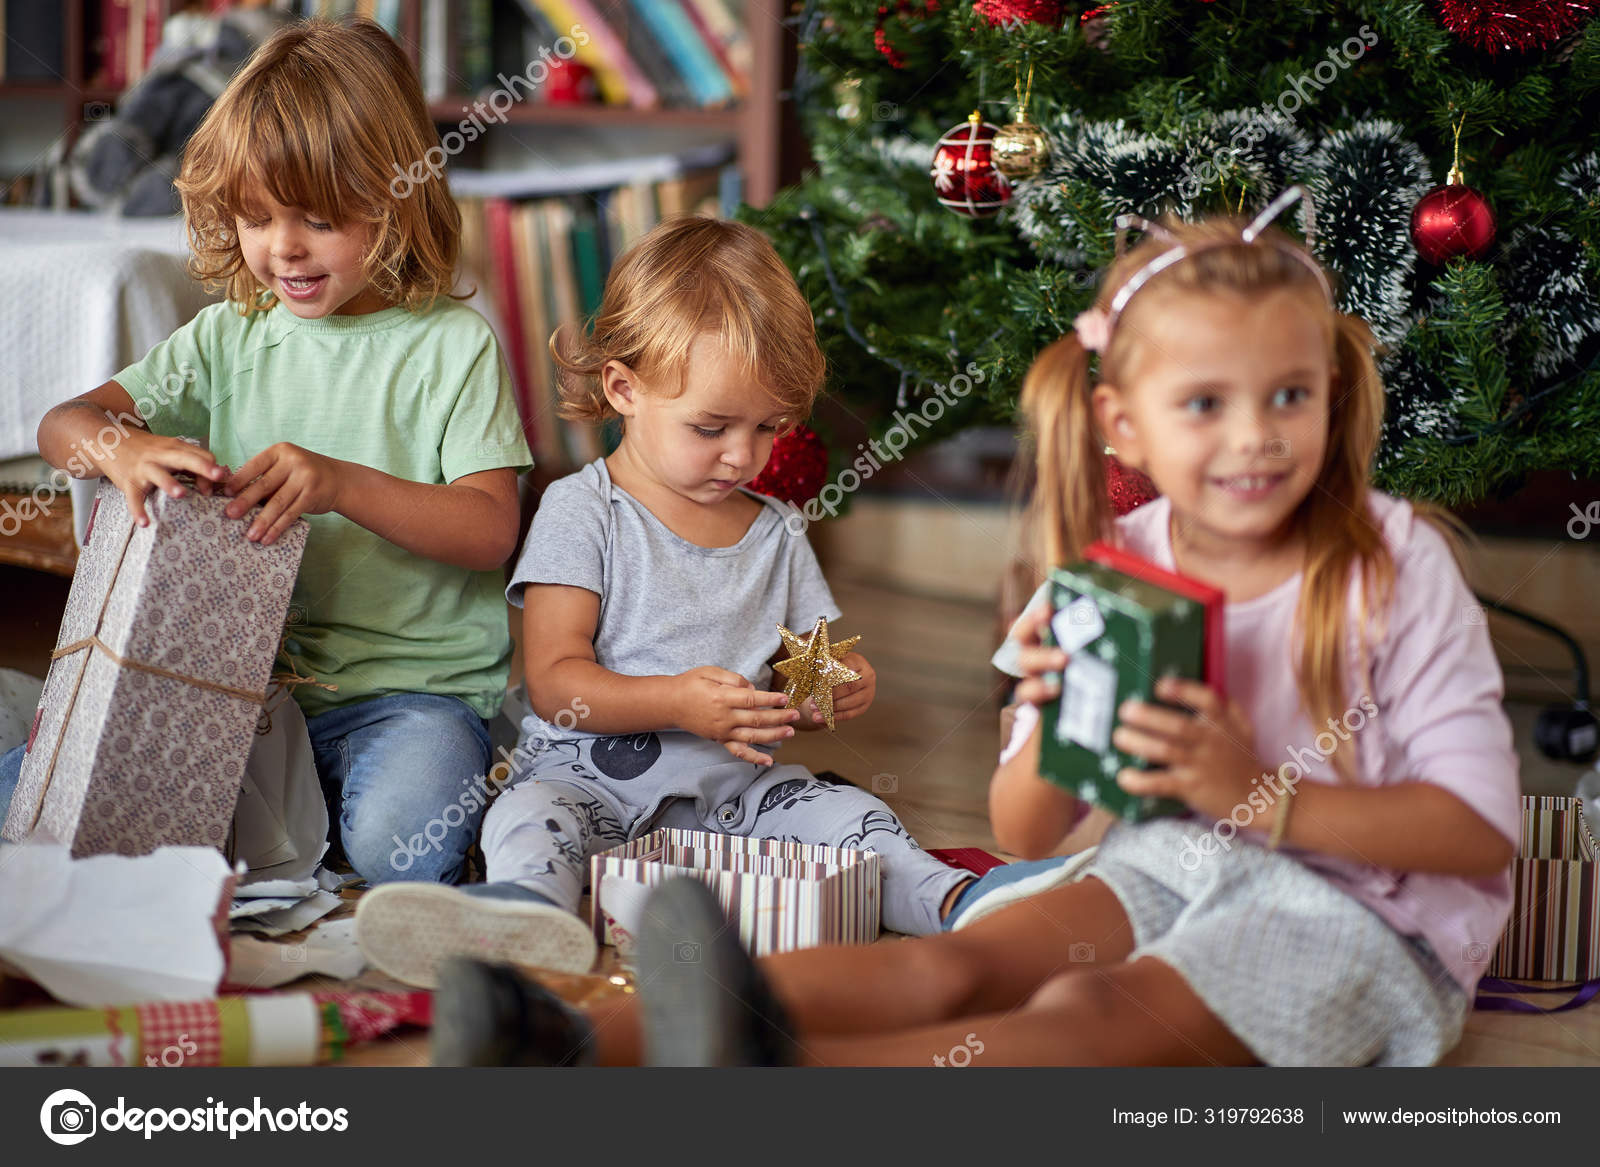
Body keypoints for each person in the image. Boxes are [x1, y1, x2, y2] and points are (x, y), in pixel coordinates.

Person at [427, 188, 1522, 1067]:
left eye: (1289, 396)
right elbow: (1033, 827)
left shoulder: (1393, 562)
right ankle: (563, 1040)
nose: (1255, 439)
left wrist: (1262, 790)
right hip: (1176, 862)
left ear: (1331, 396)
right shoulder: (1119, 573)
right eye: (1205, 404)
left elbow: (1478, 834)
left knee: (1091, 1015)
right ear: (1122, 425)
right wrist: (1052, 717)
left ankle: (763, 1067)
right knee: (940, 972)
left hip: (1358, 923)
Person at [354, 217, 1043, 987]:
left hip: (735, 802)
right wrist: (678, 701)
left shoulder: (778, 529)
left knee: (854, 818)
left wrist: (823, 695)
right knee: (524, 816)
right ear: (624, 389)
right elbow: (555, 681)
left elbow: (797, 674)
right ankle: (527, 917)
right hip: (588, 791)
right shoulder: (584, 511)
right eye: (711, 427)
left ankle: (960, 899)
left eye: (768, 428)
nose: (744, 455)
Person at [5, 19, 530, 886]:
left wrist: (344, 484)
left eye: (319, 219)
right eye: (256, 217)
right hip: (237, 689)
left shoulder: (452, 346)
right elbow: (63, 422)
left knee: (401, 851)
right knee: (56, 810)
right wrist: (123, 450)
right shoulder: (229, 334)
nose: (282, 247)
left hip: (410, 697)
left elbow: (489, 529)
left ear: (395, 199)